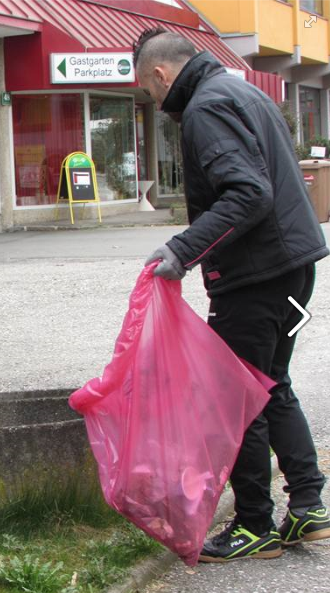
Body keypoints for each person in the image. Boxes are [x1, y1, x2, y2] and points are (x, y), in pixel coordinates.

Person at [133, 28, 329, 562]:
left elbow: (248, 192)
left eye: (150, 94)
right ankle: (308, 510)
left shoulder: (205, 107)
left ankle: (253, 526)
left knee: (234, 397)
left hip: (257, 276)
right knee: (270, 385)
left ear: (160, 75)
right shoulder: (244, 92)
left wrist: (182, 249)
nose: (157, 103)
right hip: (293, 271)